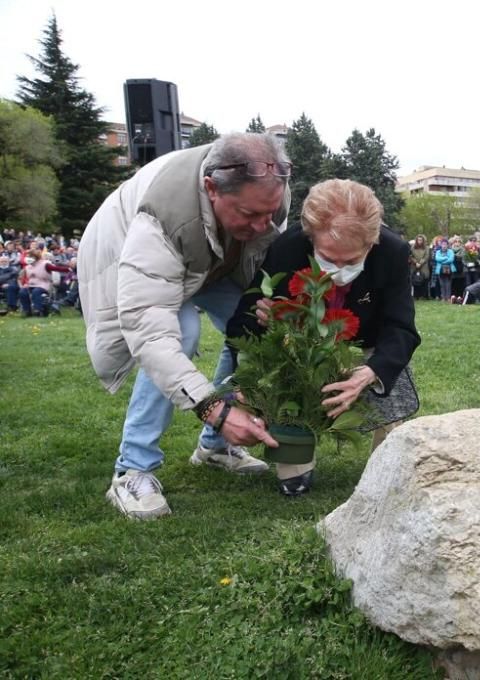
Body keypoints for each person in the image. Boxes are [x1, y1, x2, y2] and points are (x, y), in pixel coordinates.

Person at [78, 133, 290, 520]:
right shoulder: (162, 216)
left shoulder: (269, 193)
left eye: (269, 213)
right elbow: (150, 331)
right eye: (249, 215)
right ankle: (132, 469)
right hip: (132, 255)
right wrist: (214, 408)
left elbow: (262, 262)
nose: (263, 226)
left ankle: (214, 449)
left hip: (211, 262)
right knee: (183, 332)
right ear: (212, 188)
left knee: (249, 331)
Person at [228, 179, 421, 494]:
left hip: (365, 340)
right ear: (310, 238)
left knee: (390, 379)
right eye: (329, 258)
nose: (338, 270)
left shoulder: (393, 252)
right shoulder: (287, 249)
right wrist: (263, 327)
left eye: (351, 261)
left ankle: (384, 464)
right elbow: (242, 323)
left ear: (372, 243)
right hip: (303, 344)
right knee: (290, 383)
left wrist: (370, 372)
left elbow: (401, 327)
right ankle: (295, 465)